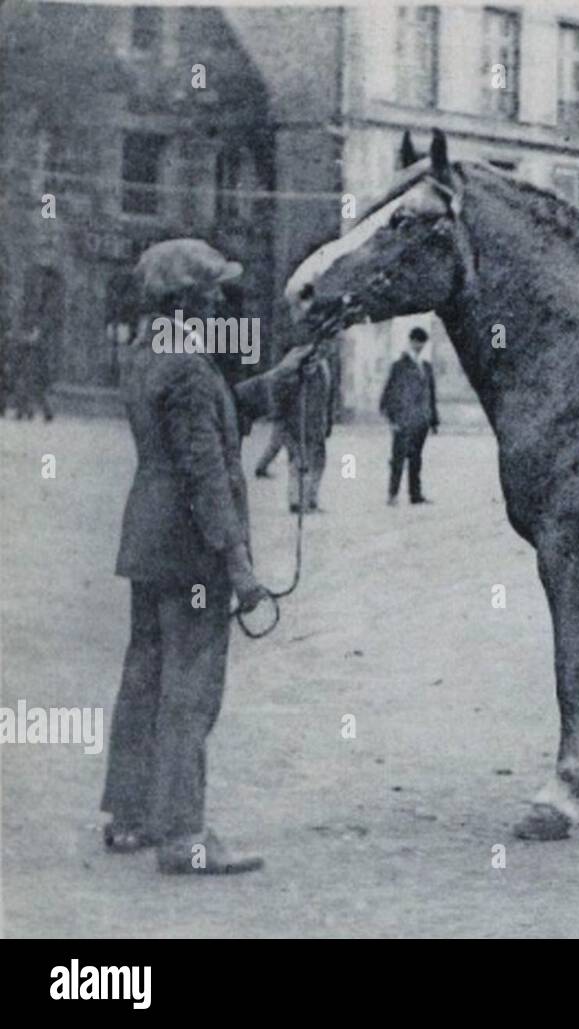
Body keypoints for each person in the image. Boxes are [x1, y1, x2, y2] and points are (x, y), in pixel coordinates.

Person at [101, 238, 314, 875]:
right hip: (192, 550)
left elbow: (205, 423)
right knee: (191, 689)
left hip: (148, 539)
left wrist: (270, 386)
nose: (223, 299)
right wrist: (240, 566)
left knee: (145, 677)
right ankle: (185, 835)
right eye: (215, 289)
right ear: (191, 297)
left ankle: (130, 816)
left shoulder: (150, 353)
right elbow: (205, 473)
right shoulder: (191, 367)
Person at [379, 326, 439, 506]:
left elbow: (431, 395)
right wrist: (392, 419)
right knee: (398, 458)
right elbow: (388, 394)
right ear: (410, 341)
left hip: (421, 420)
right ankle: (393, 494)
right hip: (403, 420)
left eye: (422, 343)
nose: (419, 346)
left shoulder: (426, 367)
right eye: (417, 342)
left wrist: (434, 420)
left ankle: (415, 494)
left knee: (416, 459)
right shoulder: (399, 366)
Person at [285, 345, 333, 514]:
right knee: (299, 460)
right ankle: (297, 500)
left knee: (318, 462)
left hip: (318, 422)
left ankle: (310, 498)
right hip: (300, 420)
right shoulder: (301, 362)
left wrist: (328, 421)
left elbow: (327, 398)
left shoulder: (324, 366)